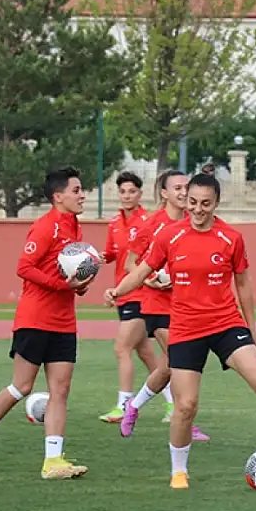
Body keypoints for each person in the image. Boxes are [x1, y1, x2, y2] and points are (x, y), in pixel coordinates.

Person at [105, 174, 256, 489]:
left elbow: (243, 285)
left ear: (216, 203)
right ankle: (179, 472)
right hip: (185, 327)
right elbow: (142, 271)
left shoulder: (231, 238)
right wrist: (117, 291)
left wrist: (252, 329)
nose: (197, 210)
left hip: (225, 323)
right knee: (186, 406)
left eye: (205, 204)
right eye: (193, 202)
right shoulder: (169, 236)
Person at [0, 168, 95, 479]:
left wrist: (79, 284)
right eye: (76, 190)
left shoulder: (75, 228)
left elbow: (66, 274)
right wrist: (63, 285)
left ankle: (53, 461)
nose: (82, 195)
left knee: (60, 390)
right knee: (22, 386)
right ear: (58, 196)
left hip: (64, 320)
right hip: (35, 318)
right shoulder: (45, 226)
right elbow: (24, 267)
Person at [116, 170, 210, 442]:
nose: (183, 192)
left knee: (169, 367)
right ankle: (185, 421)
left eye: (186, 187)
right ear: (164, 193)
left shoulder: (197, 223)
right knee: (182, 362)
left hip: (186, 305)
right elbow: (130, 264)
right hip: (157, 305)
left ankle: (133, 407)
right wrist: (155, 280)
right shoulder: (151, 225)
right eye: (177, 188)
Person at [97, 171, 158, 423]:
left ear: (140, 194)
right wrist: (103, 257)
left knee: (122, 348)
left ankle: (124, 405)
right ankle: (173, 403)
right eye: (122, 191)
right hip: (122, 293)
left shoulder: (148, 222)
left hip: (141, 293)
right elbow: (114, 252)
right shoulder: (114, 223)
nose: (126, 196)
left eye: (131, 191)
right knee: (146, 353)